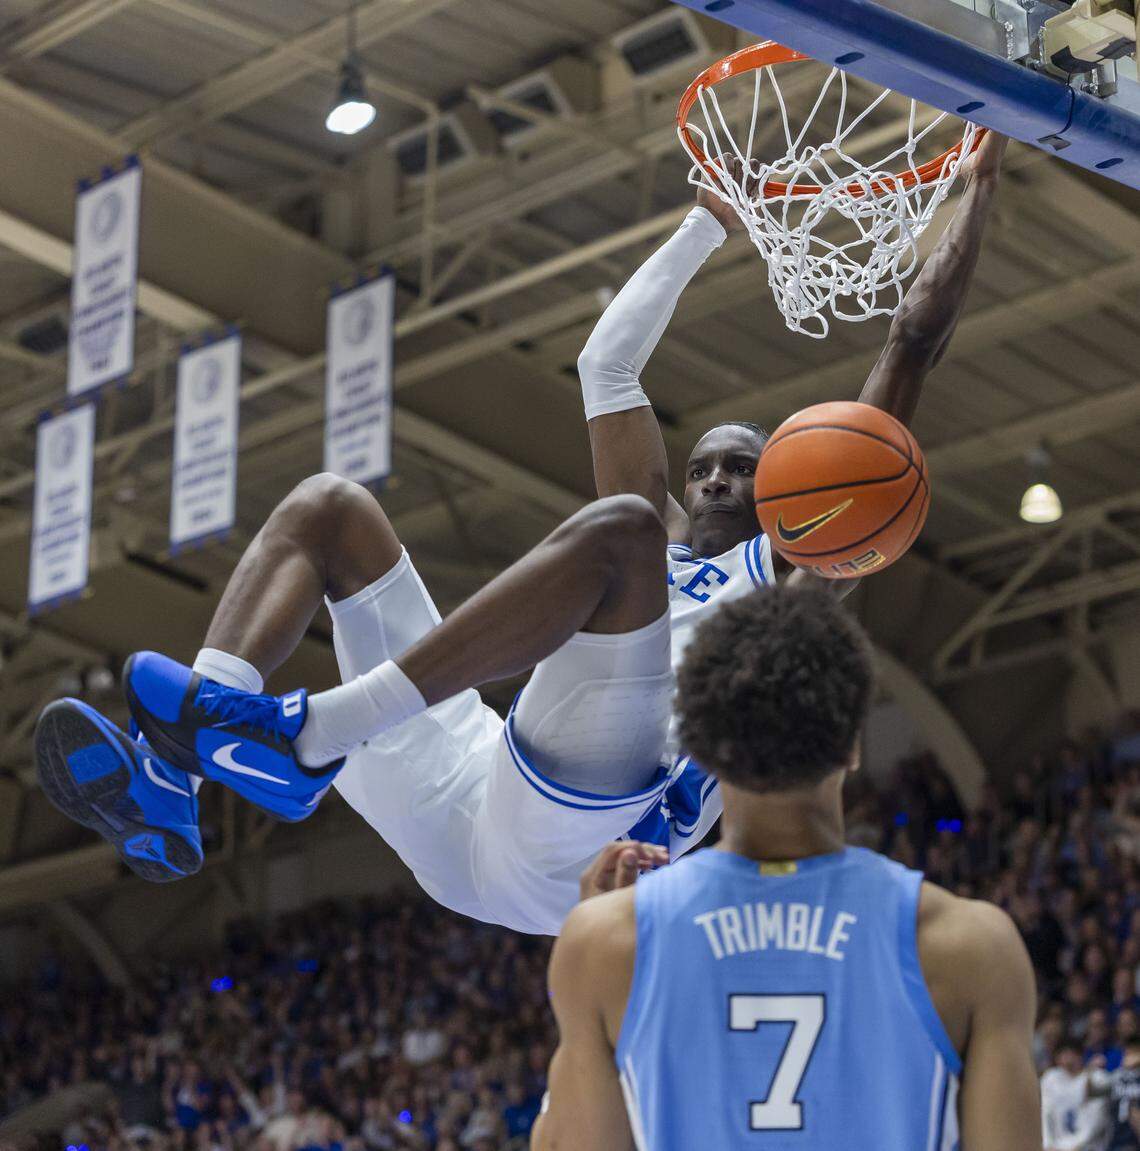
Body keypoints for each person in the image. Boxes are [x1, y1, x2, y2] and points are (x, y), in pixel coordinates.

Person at [35, 134, 1008, 933]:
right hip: (470, 775)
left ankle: (309, 738)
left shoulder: (795, 574)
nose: (713, 474)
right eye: (703, 460)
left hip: (589, 837)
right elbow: (607, 364)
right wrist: (707, 222)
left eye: (738, 467)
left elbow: (911, 343)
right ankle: (172, 773)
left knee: (620, 531)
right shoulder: (657, 538)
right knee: (331, 507)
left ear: (783, 495)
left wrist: (979, 189)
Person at [531, 584, 1040, 1150]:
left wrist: (584, 975)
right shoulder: (968, 946)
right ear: (851, 745)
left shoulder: (608, 944)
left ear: (701, 747)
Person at [1041, 1040, 1107, 1151]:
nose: (1066, 1058)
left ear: (1080, 1055)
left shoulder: (1098, 1079)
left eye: (1069, 1053)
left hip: (1089, 1147)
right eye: (1062, 1054)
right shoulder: (1051, 1078)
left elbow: (1097, 1119)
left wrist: (1075, 1146)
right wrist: (1047, 1144)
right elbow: (1045, 1113)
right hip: (1056, 1146)